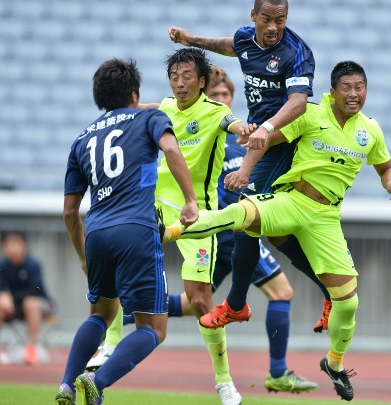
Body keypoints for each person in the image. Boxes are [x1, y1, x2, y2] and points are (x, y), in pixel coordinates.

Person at [163, 61, 391, 401]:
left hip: (326, 219)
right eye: (346, 88)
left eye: (359, 88)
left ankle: (334, 364)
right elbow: (266, 139)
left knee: (348, 303)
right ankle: (169, 231)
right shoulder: (310, 114)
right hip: (292, 201)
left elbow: (386, 166)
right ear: (332, 92)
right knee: (239, 214)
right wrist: (246, 173)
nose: (353, 94)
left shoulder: (371, 130)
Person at [86, 65, 317, 394]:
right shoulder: (185, 123)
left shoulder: (236, 140)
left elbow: (257, 163)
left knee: (199, 301)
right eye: (217, 94)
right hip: (208, 226)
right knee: (246, 296)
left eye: (227, 95)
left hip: (226, 230)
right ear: (205, 95)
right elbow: (147, 111)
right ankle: (272, 372)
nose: (222, 99)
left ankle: (128, 317)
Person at [168, 0, 334, 334]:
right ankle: (330, 292)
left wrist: (267, 130)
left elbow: (299, 103)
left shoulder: (296, 52)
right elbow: (229, 46)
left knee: (247, 213)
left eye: (281, 20)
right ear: (253, 16)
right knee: (276, 233)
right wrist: (191, 40)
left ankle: (236, 304)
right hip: (263, 138)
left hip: (287, 140)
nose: (274, 27)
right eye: (267, 19)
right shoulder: (246, 40)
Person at [56, 58, 199, 405]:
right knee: (153, 328)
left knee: (102, 315)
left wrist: (82, 255)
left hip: (98, 233)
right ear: (135, 94)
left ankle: (65, 384)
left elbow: (70, 211)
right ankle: (98, 382)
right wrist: (190, 200)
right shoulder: (150, 118)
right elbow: (170, 148)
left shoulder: (82, 139)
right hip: (136, 229)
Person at [0, 231, 54, 365]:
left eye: (16, 244)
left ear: (23, 246)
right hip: (12, 308)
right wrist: (3, 295)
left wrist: (11, 296)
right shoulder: (2, 266)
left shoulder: (33, 265)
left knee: (31, 303)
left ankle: (31, 348)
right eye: (9, 244)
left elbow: (36, 289)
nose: (13, 248)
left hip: (39, 305)